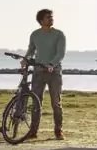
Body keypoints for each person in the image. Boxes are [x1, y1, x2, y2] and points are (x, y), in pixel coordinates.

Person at [23, 8, 66, 140]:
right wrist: (25, 59)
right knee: (36, 102)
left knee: (56, 103)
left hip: (54, 72)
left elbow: (60, 54)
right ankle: (33, 131)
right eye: (48, 17)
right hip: (38, 71)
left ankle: (58, 130)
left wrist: (52, 64)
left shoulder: (59, 34)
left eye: (52, 17)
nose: (51, 19)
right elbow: (31, 50)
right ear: (41, 20)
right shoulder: (35, 34)